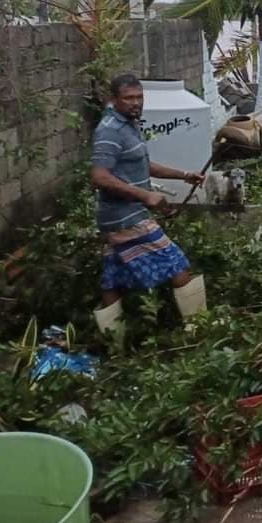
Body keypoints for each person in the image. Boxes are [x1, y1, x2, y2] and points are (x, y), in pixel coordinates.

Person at [91, 73, 208, 341]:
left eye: (139, 97)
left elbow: (142, 163)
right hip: (125, 216)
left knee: (113, 275)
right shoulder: (109, 130)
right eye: (128, 98)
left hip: (121, 216)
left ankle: (115, 344)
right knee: (177, 264)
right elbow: (99, 177)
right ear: (114, 100)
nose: (135, 103)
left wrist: (183, 174)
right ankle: (200, 329)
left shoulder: (129, 124)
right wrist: (144, 195)